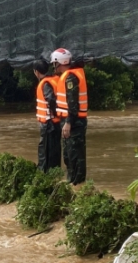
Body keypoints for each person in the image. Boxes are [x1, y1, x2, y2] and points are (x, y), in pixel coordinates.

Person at [51, 48, 88, 185]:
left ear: (59, 62)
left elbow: (73, 103)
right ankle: (71, 182)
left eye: (54, 63)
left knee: (75, 155)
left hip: (74, 122)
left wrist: (68, 123)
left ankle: (77, 183)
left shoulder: (71, 77)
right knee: (68, 154)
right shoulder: (67, 75)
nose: (54, 67)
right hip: (69, 121)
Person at [33, 59, 61, 173]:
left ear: (36, 72)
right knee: (54, 151)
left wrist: (53, 115)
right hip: (56, 122)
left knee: (45, 151)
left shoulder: (45, 84)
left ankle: (44, 174)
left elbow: (51, 100)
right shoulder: (55, 79)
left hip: (49, 123)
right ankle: (54, 173)